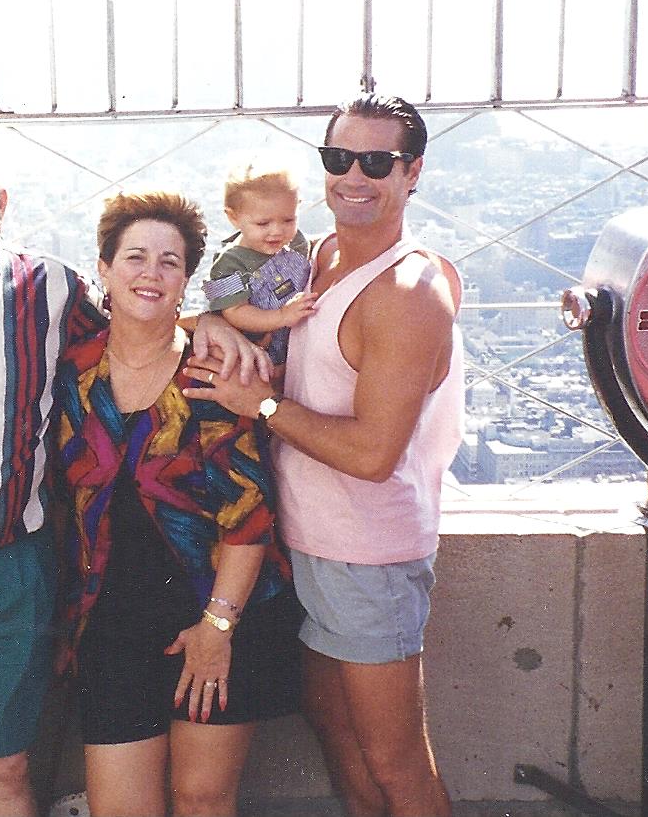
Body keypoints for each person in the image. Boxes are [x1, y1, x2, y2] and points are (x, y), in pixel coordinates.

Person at [0, 118, 269, 817]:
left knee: (7, 769)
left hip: (9, 569)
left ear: (1, 202)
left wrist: (208, 322)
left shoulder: (55, 289)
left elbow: (139, 325)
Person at [186, 93, 463, 817]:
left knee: (394, 760)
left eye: (377, 161)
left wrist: (263, 407)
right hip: (305, 540)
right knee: (338, 731)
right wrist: (219, 322)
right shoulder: (320, 255)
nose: (353, 176)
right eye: (339, 158)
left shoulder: (408, 292)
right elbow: (251, 313)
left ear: (414, 173)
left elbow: (374, 453)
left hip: (364, 552)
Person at [50, 190, 302, 817]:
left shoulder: (216, 373)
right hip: (111, 621)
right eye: (135, 257)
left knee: (201, 800)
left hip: (221, 612)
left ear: (188, 280)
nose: (151, 273)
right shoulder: (71, 367)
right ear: (103, 269)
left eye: (170, 262)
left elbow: (249, 513)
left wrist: (217, 629)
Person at [202, 155, 315, 365]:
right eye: (263, 223)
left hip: (300, 345)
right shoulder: (227, 264)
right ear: (233, 217)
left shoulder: (296, 241)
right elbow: (234, 312)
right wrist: (282, 316)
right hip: (259, 353)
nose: (277, 231)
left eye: (288, 219)